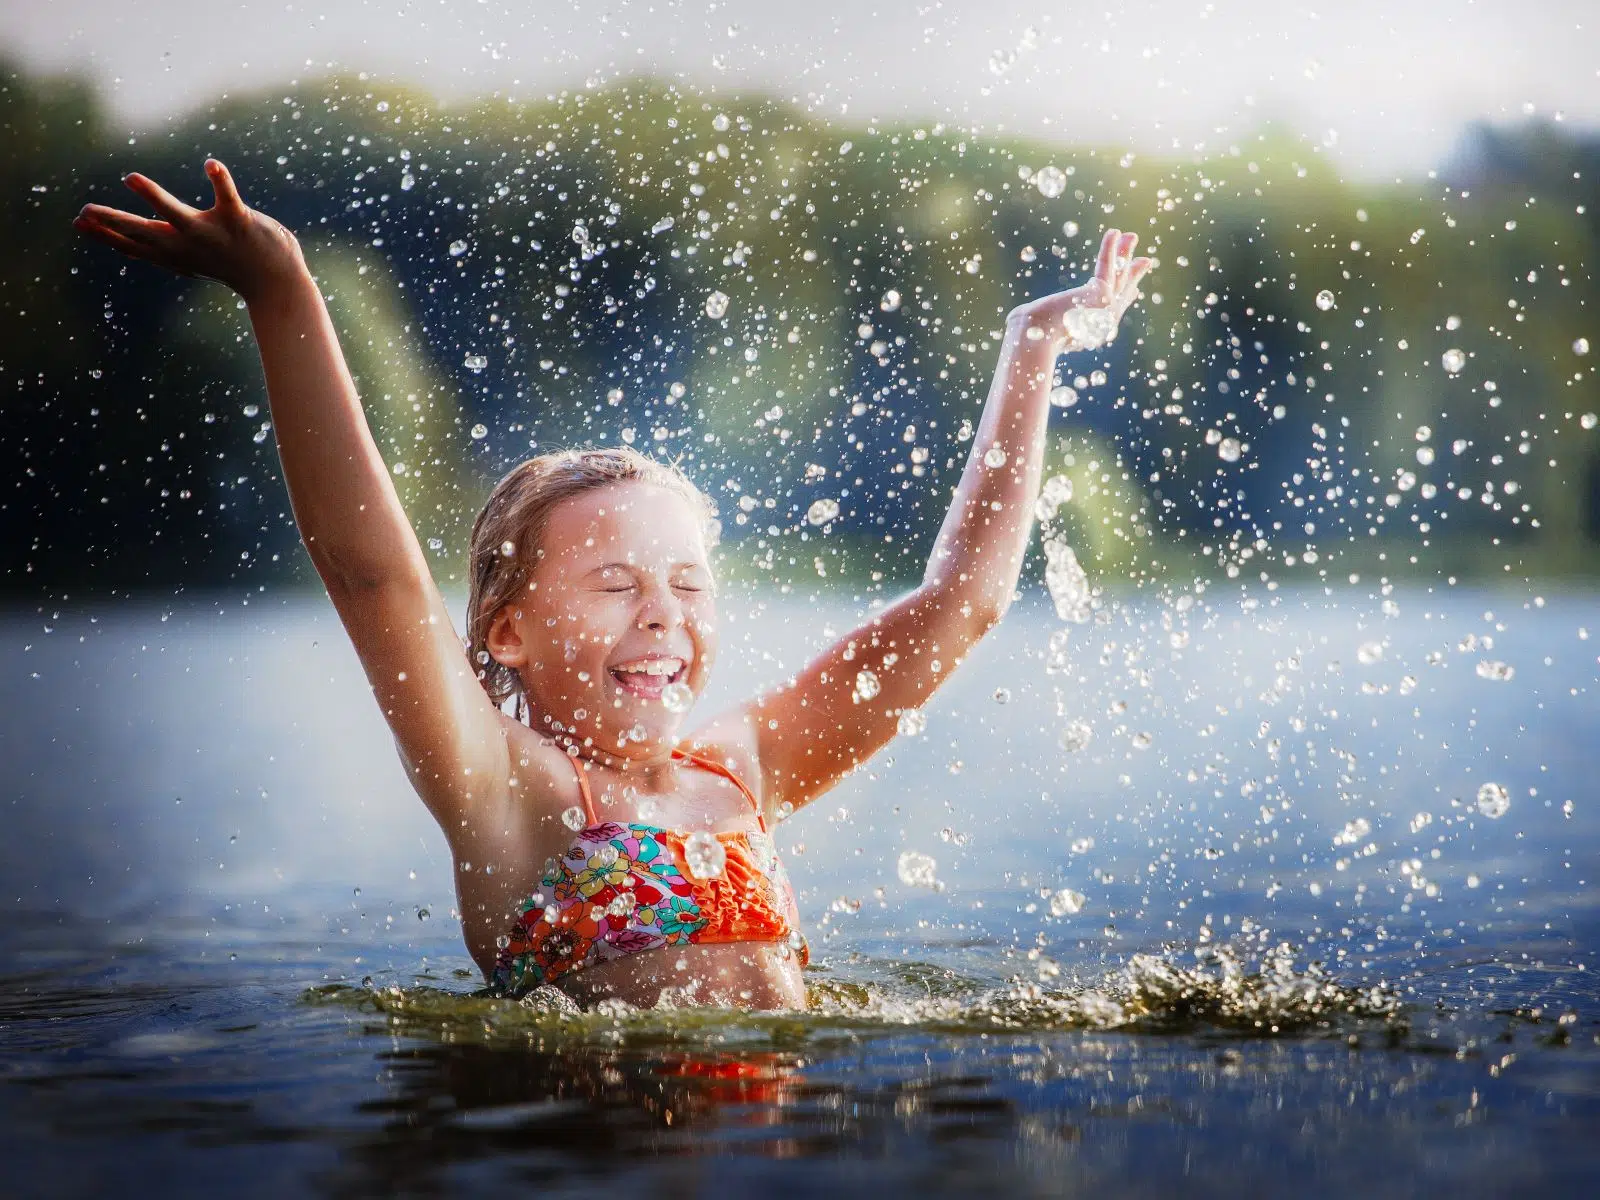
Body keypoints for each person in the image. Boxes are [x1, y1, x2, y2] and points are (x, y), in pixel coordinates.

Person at [74, 160, 1152, 1010]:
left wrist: (1033, 348)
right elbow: (370, 572)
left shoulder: (743, 773)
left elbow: (960, 605)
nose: (664, 618)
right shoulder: (505, 791)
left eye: (689, 585)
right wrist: (283, 292)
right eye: (614, 584)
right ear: (505, 633)